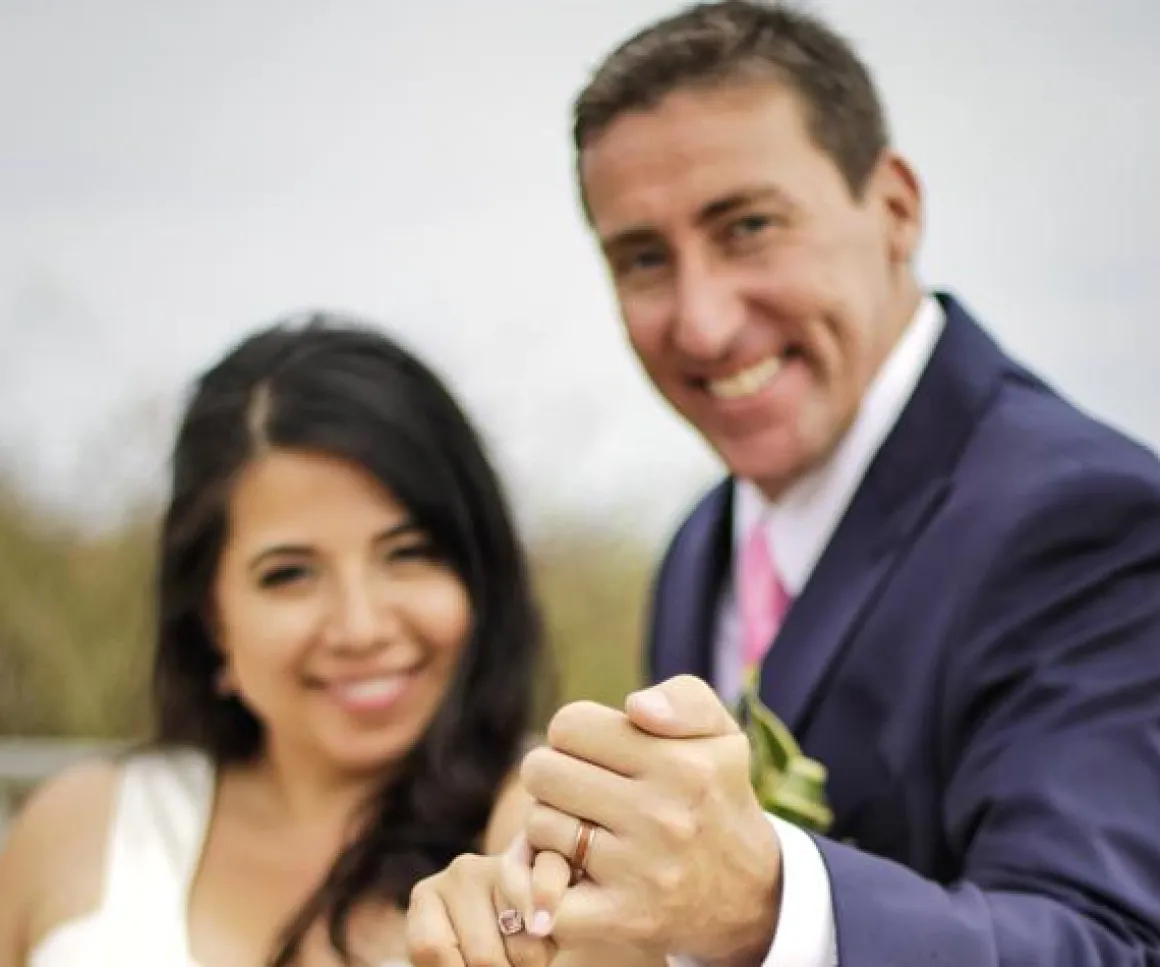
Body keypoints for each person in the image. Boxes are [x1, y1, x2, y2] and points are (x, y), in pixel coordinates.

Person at [405, 2, 1160, 966]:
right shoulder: (699, 547)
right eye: (644, 259)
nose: (704, 323)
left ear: (895, 207)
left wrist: (769, 902)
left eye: (749, 227)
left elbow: (1110, 944)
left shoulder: (1092, 518)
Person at [0, 314, 576, 966]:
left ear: (477, 576)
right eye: (291, 574)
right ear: (211, 613)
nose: (360, 627)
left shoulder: (542, 834)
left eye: (408, 554)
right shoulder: (81, 825)